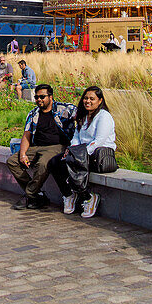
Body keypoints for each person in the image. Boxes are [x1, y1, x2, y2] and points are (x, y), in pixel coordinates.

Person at [47, 86, 116, 218]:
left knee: (70, 162)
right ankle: (69, 194)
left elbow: (99, 141)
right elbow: (76, 137)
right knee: (54, 162)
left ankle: (88, 197)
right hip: (81, 152)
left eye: (92, 99)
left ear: (100, 100)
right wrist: (72, 150)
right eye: (85, 98)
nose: (87, 101)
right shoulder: (83, 116)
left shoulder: (104, 117)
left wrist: (79, 154)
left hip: (98, 155)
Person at [6, 84, 76, 209]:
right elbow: (26, 135)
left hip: (56, 147)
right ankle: (37, 195)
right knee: (12, 161)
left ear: (51, 96)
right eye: (36, 97)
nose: (39, 100)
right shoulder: (33, 113)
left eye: (42, 97)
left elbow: (82, 113)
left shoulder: (63, 109)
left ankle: (29, 195)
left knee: (43, 164)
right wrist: (22, 154)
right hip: (36, 147)